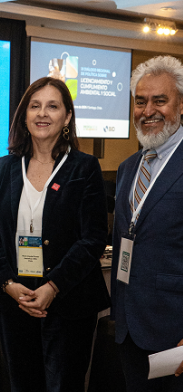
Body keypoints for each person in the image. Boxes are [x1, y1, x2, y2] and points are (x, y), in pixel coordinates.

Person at [0, 77, 110, 392]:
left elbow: (93, 238)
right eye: (35, 106)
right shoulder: (6, 167)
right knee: (22, 384)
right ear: (24, 115)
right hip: (15, 302)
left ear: (67, 117)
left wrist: (53, 286)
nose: (42, 113)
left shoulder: (85, 167)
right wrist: (9, 285)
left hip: (69, 302)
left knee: (65, 384)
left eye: (53, 106)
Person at [111, 55, 183, 391]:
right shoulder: (128, 168)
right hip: (130, 327)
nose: (148, 110)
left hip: (174, 332)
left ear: (181, 105)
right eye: (140, 101)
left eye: (160, 100)